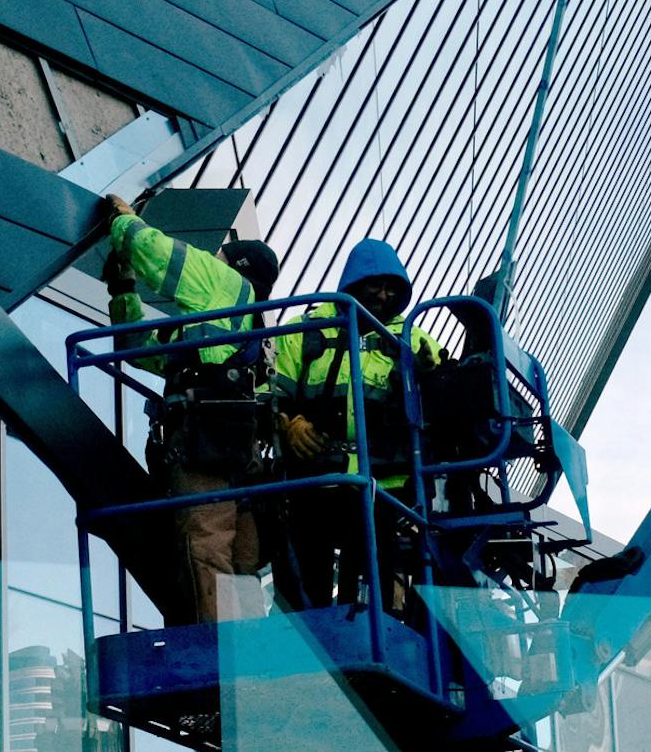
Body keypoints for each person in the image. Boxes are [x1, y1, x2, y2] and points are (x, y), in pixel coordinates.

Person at [103, 195, 282, 625]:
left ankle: (218, 649)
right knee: (243, 557)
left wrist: (124, 222)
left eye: (220, 256)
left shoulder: (223, 281)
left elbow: (152, 251)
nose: (211, 258)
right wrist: (123, 289)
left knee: (204, 544)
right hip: (238, 452)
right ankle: (247, 648)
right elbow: (138, 350)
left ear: (234, 267)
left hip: (204, 445)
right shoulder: (241, 331)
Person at [268, 239, 441, 612]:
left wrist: (429, 376)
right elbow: (269, 392)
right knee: (303, 581)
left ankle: (373, 624)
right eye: (375, 284)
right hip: (314, 480)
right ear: (353, 283)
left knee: (378, 579)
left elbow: (446, 394)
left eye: (392, 288)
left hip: (383, 487)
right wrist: (288, 425)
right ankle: (304, 633)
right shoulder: (304, 331)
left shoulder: (413, 338)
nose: (384, 294)